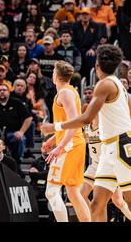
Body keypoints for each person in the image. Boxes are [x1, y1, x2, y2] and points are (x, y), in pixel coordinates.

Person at [42, 45, 131, 222]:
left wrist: (56, 127)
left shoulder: (104, 85)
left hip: (120, 145)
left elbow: (86, 118)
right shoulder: (118, 85)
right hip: (107, 150)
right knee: (96, 204)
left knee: (126, 200)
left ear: (97, 66)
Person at [40, 61, 91, 222]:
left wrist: (60, 146)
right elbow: (68, 124)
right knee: (73, 193)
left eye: (54, 71)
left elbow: (75, 123)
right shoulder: (66, 92)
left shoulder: (65, 93)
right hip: (72, 142)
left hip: (70, 145)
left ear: (56, 75)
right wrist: (53, 140)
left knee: (52, 191)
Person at [80, 114, 131, 221]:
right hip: (94, 165)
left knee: (118, 201)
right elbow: (81, 140)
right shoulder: (86, 127)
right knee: (81, 195)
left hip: (108, 165)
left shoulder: (106, 127)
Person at [0, 84, 33, 164]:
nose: (2, 92)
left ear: (9, 92)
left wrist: (21, 131)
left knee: (21, 139)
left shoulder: (16, 102)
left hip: (13, 133)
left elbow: (29, 118)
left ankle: (17, 162)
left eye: (4, 90)